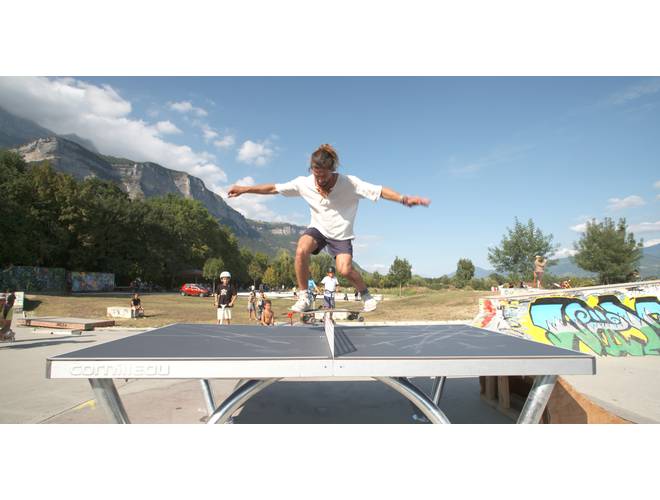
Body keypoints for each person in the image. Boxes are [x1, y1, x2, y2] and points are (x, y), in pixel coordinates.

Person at [228, 144, 430, 313]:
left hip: (341, 234)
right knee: (300, 250)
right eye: (316, 175)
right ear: (312, 170)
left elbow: (380, 191)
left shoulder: (350, 183)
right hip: (318, 230)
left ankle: (365, 294)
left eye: (324, 176)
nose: (320, 181)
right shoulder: (304, 183)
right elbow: (273, 188)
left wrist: (403, 199)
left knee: (345, 269)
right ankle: (305, 296)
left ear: (332, 169)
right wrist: (245, 189)